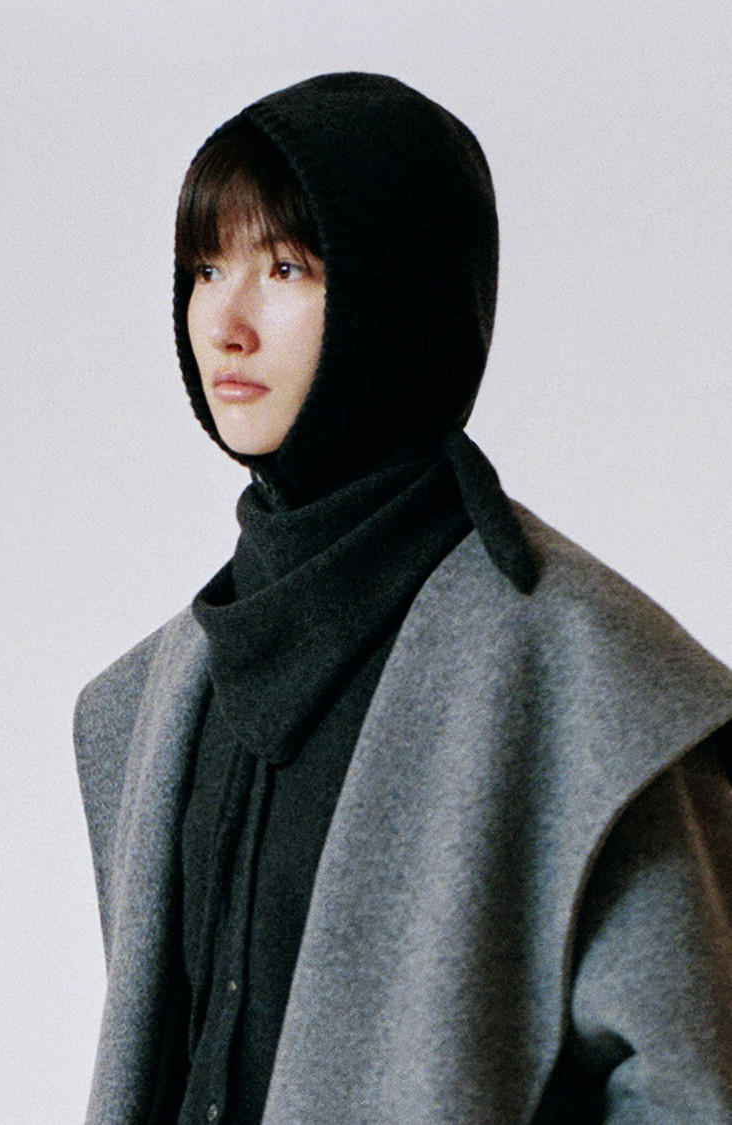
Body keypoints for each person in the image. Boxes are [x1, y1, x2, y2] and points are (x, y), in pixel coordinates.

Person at [75, 73, 732, 1125]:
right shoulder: (159, 694)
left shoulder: (586, 675)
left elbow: (689, 1084)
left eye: (285, 267)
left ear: (399, 295)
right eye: (205, 268)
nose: (225, 323)